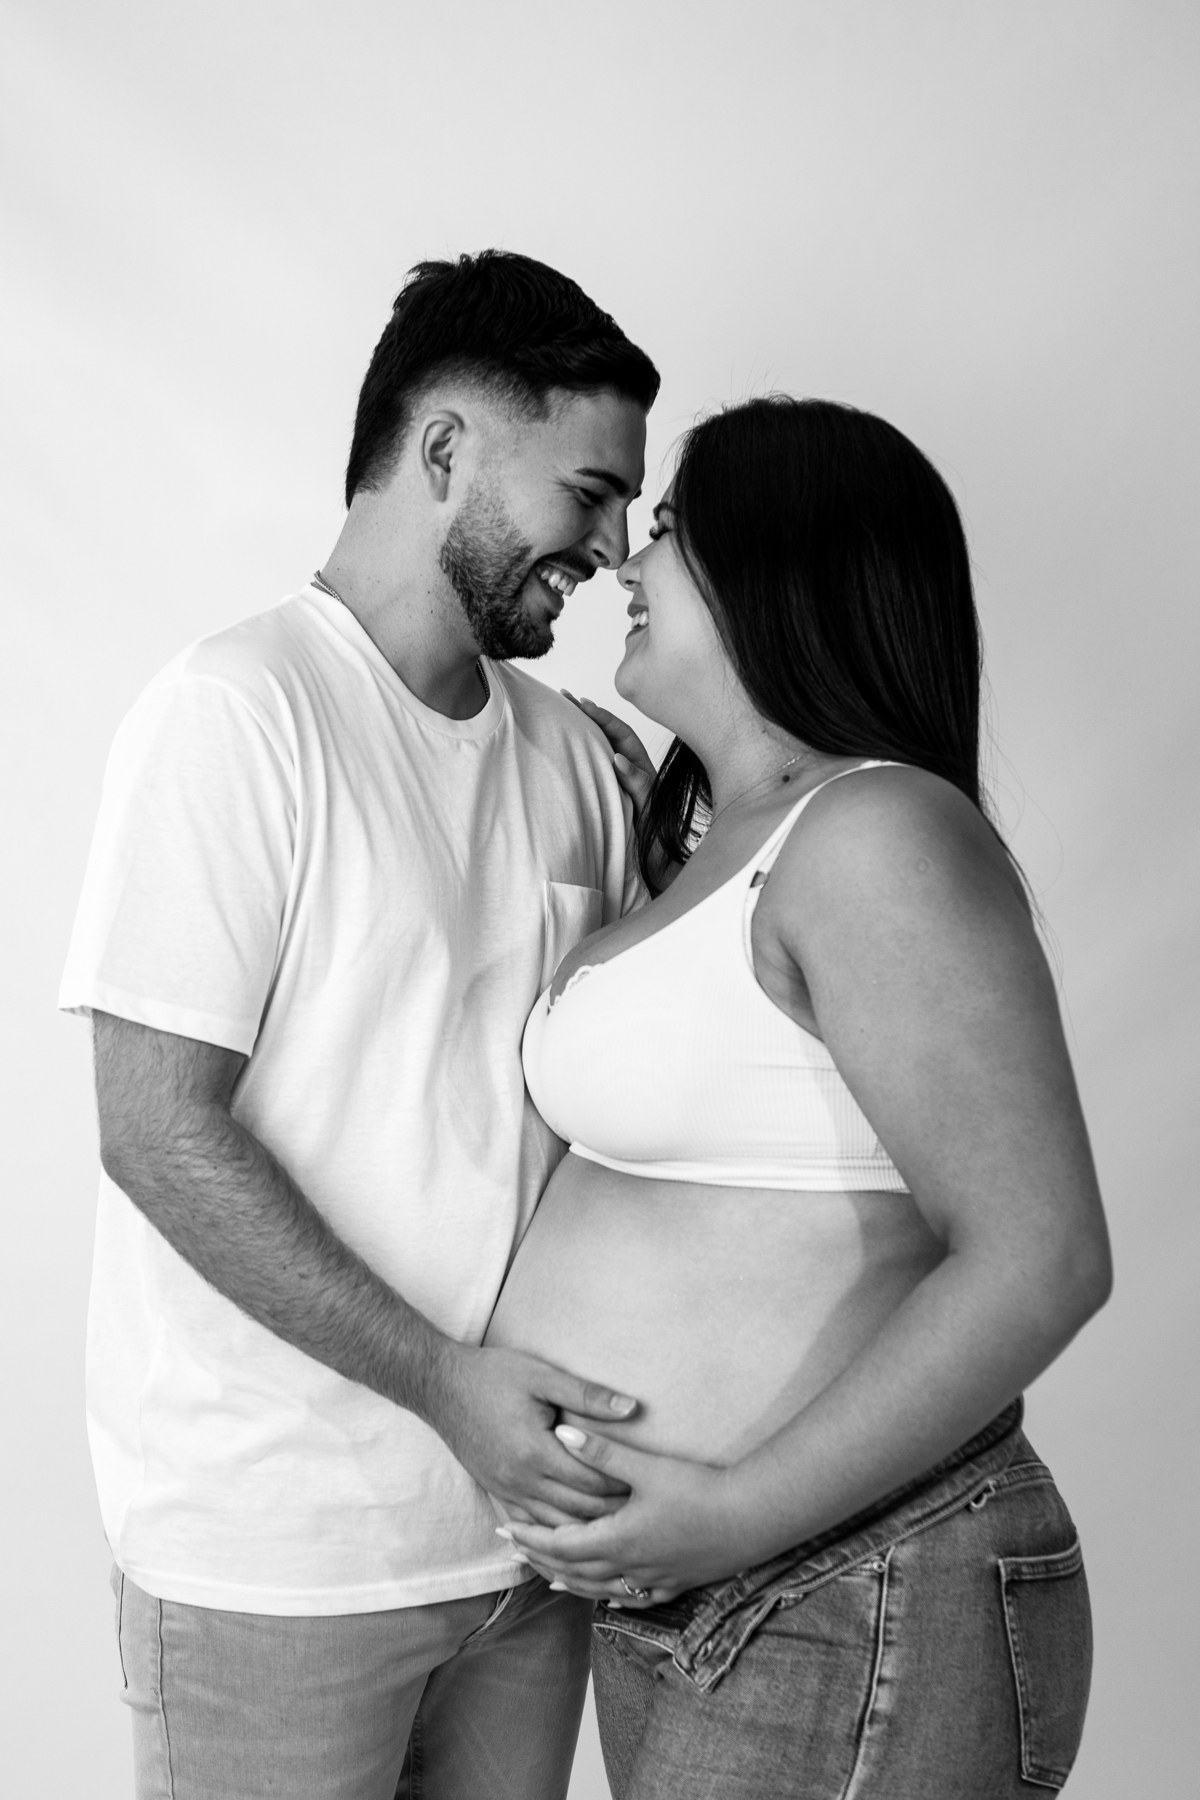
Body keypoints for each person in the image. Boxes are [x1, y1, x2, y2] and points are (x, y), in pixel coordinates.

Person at [58, 249, 660, 1800]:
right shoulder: (237, 713)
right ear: (446, 447)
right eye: (590, 494)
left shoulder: (576, 756)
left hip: (527, 1552)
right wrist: (449, 1387)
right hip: (277, 1565)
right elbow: (154, 1131)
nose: (612, 550)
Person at [487, 396, 1113, 1798]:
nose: (625, 560)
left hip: (849, 1580)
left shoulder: (876, 834)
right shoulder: (735, 842)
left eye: (668, 529)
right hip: (738, 1600)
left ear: (779, 565)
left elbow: (1044, 1256)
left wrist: (731, 1514)